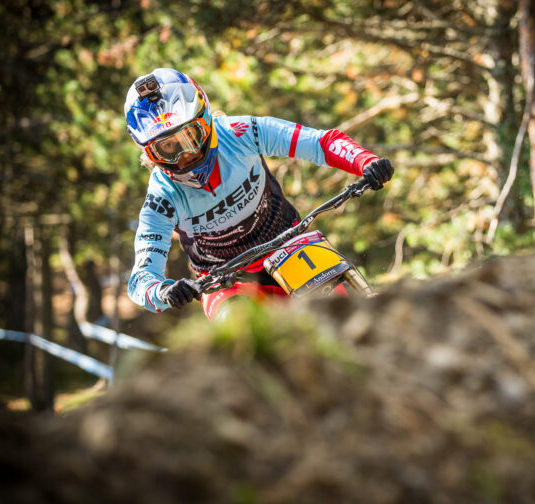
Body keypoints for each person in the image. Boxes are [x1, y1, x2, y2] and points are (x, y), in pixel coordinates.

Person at [125, 68, 393, 320]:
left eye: (190, 137)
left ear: (205, 122)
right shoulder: (161, 196)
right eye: (168, 148)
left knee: (348, 311)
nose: (184, 156)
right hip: (225, 283)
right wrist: (163, 292)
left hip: (290, 246)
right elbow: (140, 279)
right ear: (150, 154)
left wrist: (365, 161)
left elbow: (320, 143)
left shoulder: (239, 133)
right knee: (239, 337)